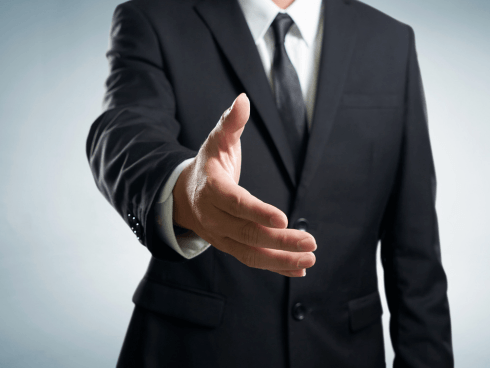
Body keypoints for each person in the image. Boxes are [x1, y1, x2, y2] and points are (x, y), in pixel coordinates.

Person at [86, 0, 454, 366]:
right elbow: (123, 130)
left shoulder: (392, 40)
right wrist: (184, 189)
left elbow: (416, 251)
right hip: (190, 353)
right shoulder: (153, 17)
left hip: (343, 353)